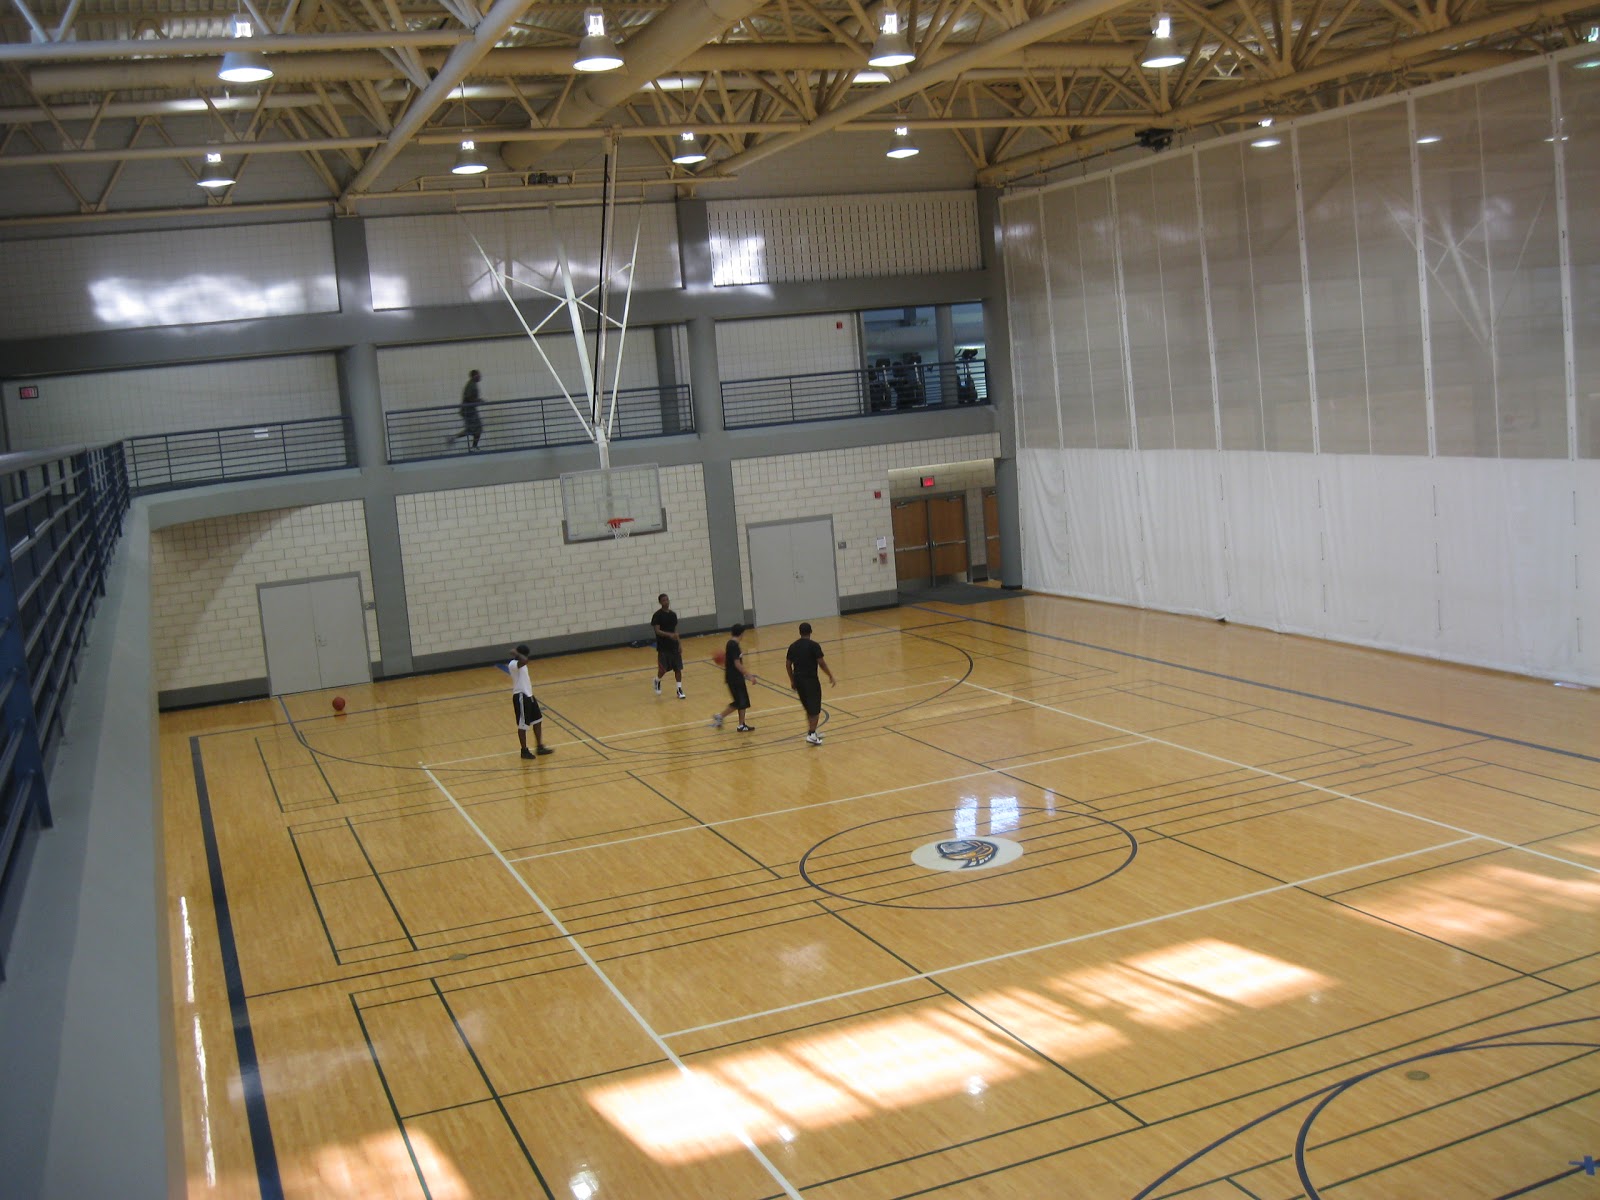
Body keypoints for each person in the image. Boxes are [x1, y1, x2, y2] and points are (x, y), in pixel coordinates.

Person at [785, 621, 835, 745]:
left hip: (798, 680)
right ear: (811, 631)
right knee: (815, 708)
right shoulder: (814, 646)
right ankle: (811, 735)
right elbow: (821, 663)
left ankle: (812, 732)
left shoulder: (793, 646)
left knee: (808, 707)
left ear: (800, 632)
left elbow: (788, 664)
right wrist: (830, 675)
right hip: (810, 680)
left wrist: (792, 680)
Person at [508, 644, 552, 759]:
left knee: (538, 720)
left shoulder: (522, 662)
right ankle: (524, 750)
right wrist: (517, 653)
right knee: (523, 724)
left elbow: (524, 660)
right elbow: (524, 660)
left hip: (529, 695)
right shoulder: (513, 664)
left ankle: (539, 747)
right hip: (521, 696)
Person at [710, 624, 756, 732]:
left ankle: (741, 725)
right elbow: (737, 664)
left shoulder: (730, 643)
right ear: (741, 633)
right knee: (739, 701)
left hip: (733, 677)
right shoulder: (734, 645)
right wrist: (749, 676)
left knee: (743, 701)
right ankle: (720, 716)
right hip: (735, 678)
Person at [650, 592, 685, 698]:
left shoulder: (673, 615)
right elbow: (657, 631)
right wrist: (669, 635)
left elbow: (675, 631)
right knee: (662, 670)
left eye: (667, 600)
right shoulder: (657, 615)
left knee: (678, 668)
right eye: (663, 600)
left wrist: (679, 643)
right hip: (663, 647)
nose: (666, 602)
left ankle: (679, 690)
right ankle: (657, 680)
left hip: (674, 646)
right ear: (660, 602)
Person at [448, 369, 483, 451]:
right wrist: (477, 401)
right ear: (474, 376)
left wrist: (477, 400)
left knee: (474, 429)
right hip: (468, 411)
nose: (480, 377)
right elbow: (468, 397)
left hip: (470, 410)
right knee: (476, 429)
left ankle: (472, 446)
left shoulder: (472, 384)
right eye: (478, 375)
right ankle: (473, 446)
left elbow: (469, 397)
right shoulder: (471, 385)